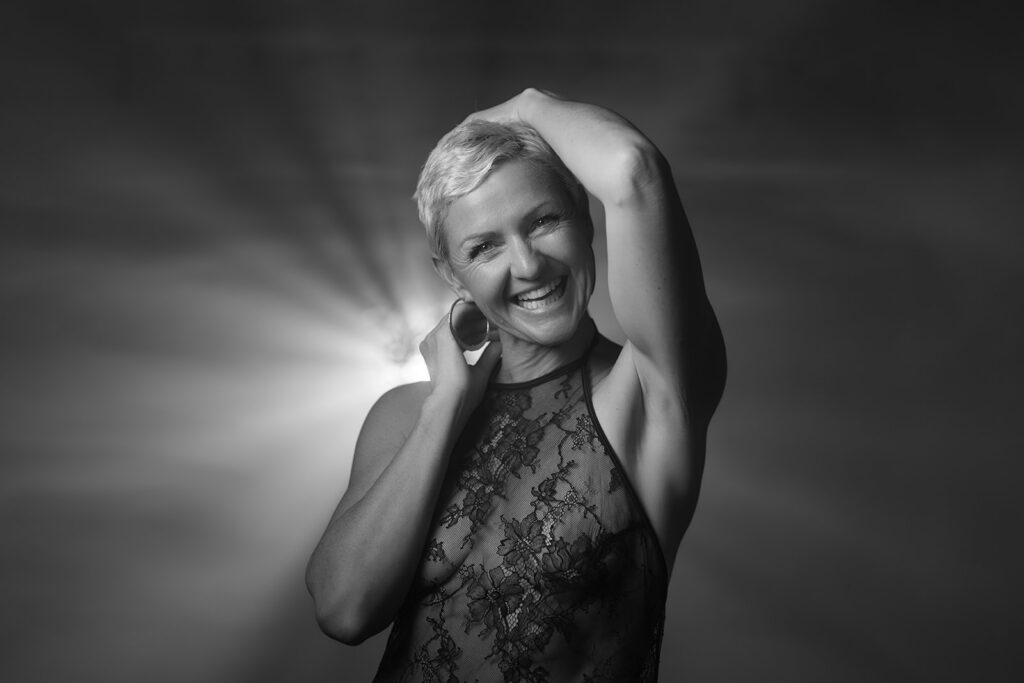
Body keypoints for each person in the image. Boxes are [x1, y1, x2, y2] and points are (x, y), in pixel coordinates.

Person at [306, 88, 726, 682]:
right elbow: (344, 609)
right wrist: (446, 406)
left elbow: (634, 171)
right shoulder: (408, 413)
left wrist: (525, 107)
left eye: (544, 221)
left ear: (585, 218)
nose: (528, 266)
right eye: (484, 247)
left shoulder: (651, 392)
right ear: (453, 276)